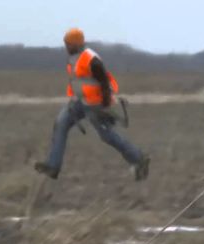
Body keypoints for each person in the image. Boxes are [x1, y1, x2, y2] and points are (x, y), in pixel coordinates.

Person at [34, 28, 150, 181]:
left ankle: (139, 159)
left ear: (76, 44)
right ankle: (53, 166)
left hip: (95, 105)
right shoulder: (74, 58)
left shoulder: (91, 59)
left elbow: (104, 81)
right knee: (61, 123)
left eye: (68, 44)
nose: (66, 47)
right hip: (79, 102)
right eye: (65, 43)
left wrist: (105, 104)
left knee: (108, 136)